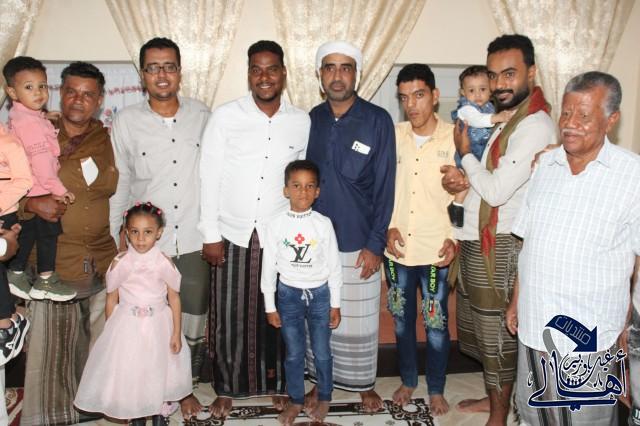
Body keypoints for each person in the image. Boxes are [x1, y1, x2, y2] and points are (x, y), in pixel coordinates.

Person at [505, 71, 640, 425]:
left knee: (585, 419)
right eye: (565, 113)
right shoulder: (544, 166)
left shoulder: (632, 175)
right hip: (536, 324)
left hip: (590, 335)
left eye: (584, 115)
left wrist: (631, 328)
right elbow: (529, 243)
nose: (570, 123)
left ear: (611, 119)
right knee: (534, 414)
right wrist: (517, 299)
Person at [441, 34, 555, 426]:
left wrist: (466, 154)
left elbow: (496, 190)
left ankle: (498, 414)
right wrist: (462, 179)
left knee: (497, 337)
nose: (499, 83)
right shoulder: (506, 118)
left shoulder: (533, 125)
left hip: (502, 245)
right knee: (480, 330)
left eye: (509, 73)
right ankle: (494, 400)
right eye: (493, 75)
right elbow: (486, 180)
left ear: (531, 72)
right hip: (480, 238)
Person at [199, 40, 309, 419]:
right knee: (229, 313)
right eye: (256, 69)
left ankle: (277, 385)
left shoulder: (301, 120)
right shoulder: (226, 116)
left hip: (279, 234)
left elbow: (301, 180)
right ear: (248, 74)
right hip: (231, 232)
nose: (265, 77)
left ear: (283, 73)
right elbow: (209, 175)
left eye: (272, 68)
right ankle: (227, 387)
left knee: (277, 311)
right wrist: (210, 233)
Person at [109, 37, 210, 418]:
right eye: (153, 68)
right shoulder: (126, 121)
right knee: (145, 324)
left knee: (193, 318)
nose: (162, 74)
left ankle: (185, 388)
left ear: (180, 72)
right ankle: (146, 390)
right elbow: (121, 182)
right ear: (143, 75)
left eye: (169, 66)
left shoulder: (203, 115)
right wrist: (117, 237)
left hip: (194, 238)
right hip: (145, 245)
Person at [20, 61, 119, 426]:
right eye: (72, 92)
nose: (79, 100)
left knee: (98, 348)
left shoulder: (106, 138)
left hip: (101, 258)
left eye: (88, 94)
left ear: (100, 99)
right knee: (52, 350)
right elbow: (6, 186)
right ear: (60, 93)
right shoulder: (34, 133)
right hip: (55, 261)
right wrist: (30, 204)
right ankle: (51, 417)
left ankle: (92, 410)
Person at [305, 40, 396, 412]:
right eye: (330, 67)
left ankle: (363, 384)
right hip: (314, 243)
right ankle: (319, 382)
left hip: (359, 240)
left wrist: (376, 243)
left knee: (359, 323)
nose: (337, 75)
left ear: (357, 74)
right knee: (318, 319)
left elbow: (386, 185)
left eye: (346, 68)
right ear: (320, 75)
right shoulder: (312, 119)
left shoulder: (377, 120)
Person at [75, 202, 191, 425]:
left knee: (157, 370)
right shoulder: (121, 262)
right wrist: (110, 332)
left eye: (148, 232)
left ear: (159, 233)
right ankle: (137, 415)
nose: (140, 239)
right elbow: (112, 298)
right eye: (135, 232)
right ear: (127, 233)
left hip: (159, 326)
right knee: (133, 372)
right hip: (128, 326)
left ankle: (159, 416)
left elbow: (174, 298)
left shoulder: (163, 262)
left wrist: (176, 332)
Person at [384, 63, 456, 416]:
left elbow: (467, 194)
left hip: (435, 251)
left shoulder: (456, 138)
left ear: (435, 95)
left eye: (419, 95)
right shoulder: (392, 135)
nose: (411, 105)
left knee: (435, 324)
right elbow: (379, 187)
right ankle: (409, 380)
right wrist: (386, 226)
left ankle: (437, 388)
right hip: (396, 251)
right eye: (404, 97)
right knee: (401, 320)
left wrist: (455, 238)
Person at [261, 159, 342, 425]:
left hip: (320, 295)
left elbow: (334, 267)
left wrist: (335, 303)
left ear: (317, 191)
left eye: (309, 186)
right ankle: (296, 400)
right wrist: (270, 306)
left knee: (322, 351)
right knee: (294, 353)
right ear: (286, 190)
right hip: (289, 296)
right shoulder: (275, 224)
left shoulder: (323, 224)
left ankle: (325, 396)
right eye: (296, 186)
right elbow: (268, 268)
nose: (303, 192)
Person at [3, 56, 77, 302]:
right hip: (39, 187)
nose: (38, 92)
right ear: (12, 92)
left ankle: (16, 272)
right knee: (48, 232)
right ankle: (45, 279)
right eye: (29, 87)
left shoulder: (24, 116)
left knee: (29, 231)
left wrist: (45, 118)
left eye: (42, 85)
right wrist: (59, 189)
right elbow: (42, 162)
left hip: (29, 188)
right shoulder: (31, 123)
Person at [447, 65, 513, 228]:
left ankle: (460, 206)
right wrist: (497, 118)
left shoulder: (490, 107)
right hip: (470, 150)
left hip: (482, 152)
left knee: (477, 181)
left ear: (490, 90)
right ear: (463, 92)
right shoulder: (466, 109)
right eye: (471, 90)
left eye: (482, 89)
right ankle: (457, 204)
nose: (477, 95)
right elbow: (477, 120)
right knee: (466, 180)